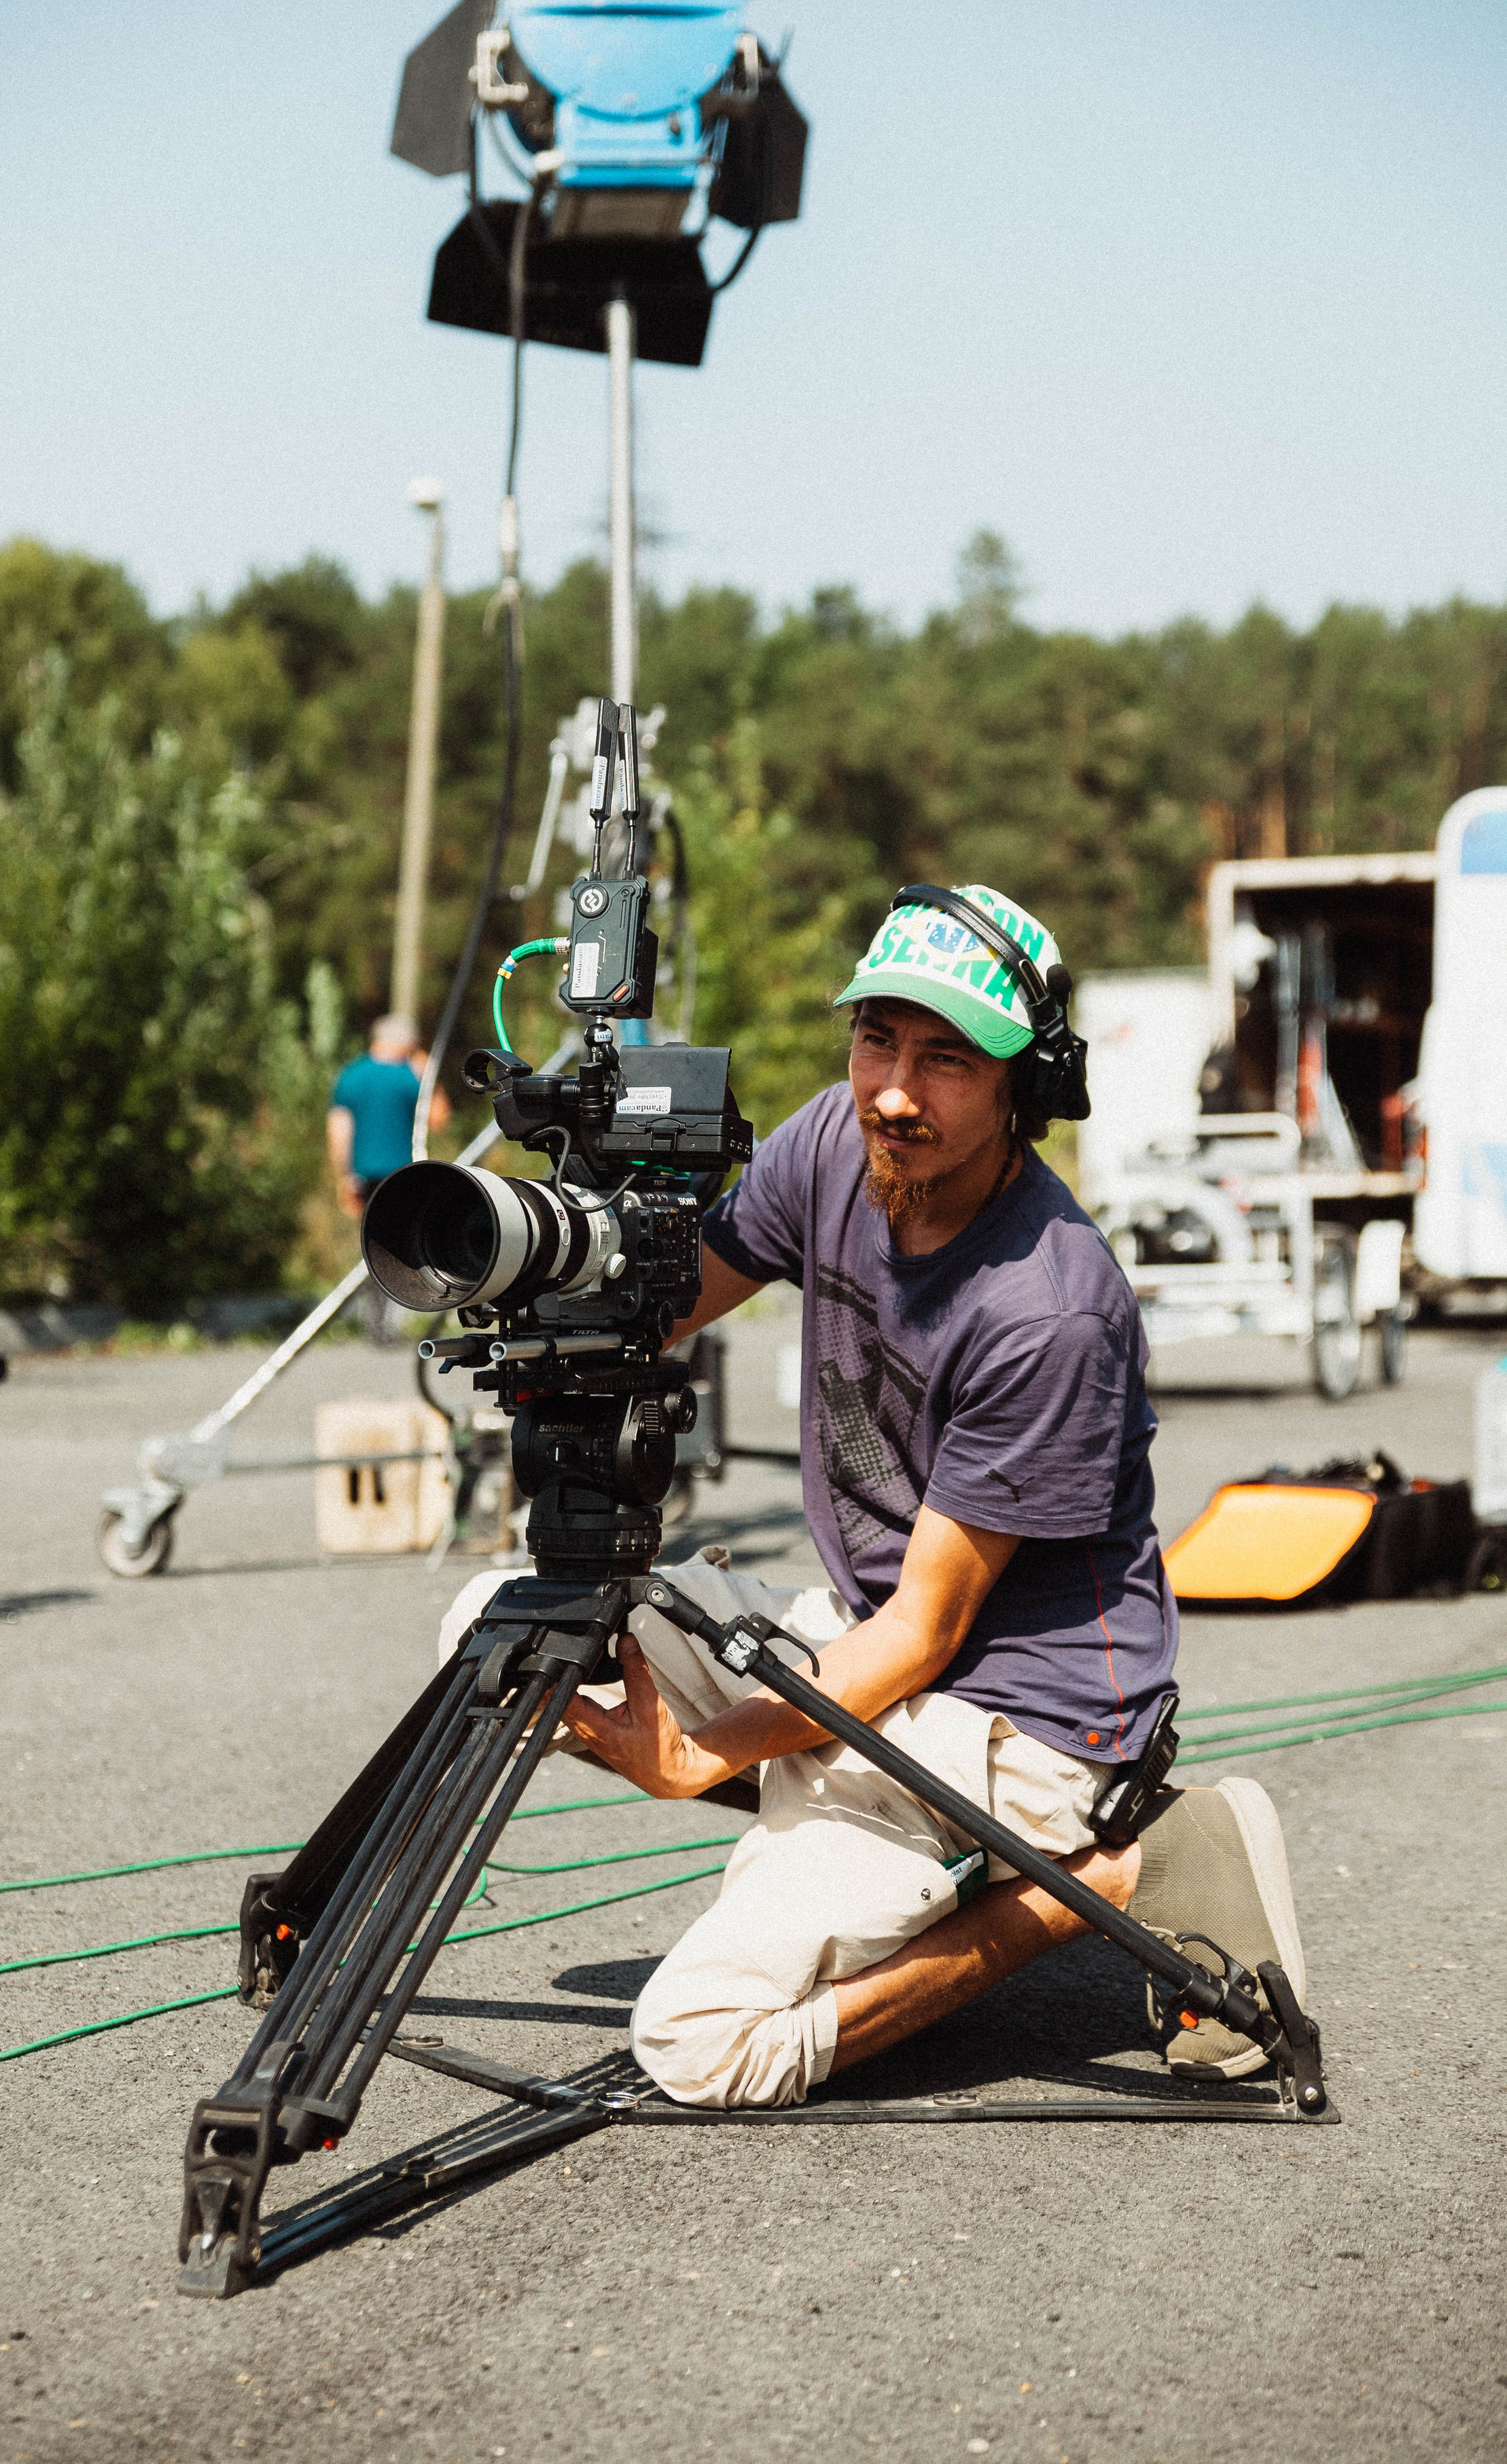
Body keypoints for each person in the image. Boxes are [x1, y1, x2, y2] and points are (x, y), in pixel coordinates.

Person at [439, 884, 1306, 2109]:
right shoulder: (829, 1148)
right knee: (498, 1628)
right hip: (869, 1651)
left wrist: (701, 1755)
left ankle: (1099, 1878)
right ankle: (842, 1830)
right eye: (877, 1040)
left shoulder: (1048, 1307)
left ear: (1027, 1085)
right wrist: (544, 1279)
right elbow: (671, 1306)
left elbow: (928, 1633)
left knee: (702, 2048)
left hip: (1016, 1724)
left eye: (947, 1059)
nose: (895, 1091)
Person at [327, 1014, 450, 1220]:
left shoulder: (350, 1075)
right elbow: (440, 1120)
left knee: (372, 1240)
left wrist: (345, 1179)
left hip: (364, 1180)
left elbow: (339, 1135)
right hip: (405, 1177)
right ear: (408, 1044)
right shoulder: (412, 1077)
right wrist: (429, 1074)